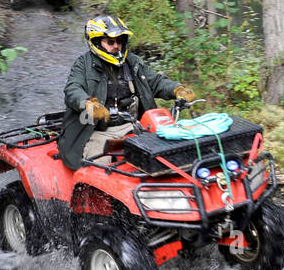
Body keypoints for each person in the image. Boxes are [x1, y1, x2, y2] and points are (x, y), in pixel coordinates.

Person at [58, 14, 194, 170]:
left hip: (135, 126)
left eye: (120, 41)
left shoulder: (132, 62)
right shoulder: (83, 64)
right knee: (99, 168)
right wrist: (89, 104)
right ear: (96, 42)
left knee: (167, 154)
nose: (116, 46)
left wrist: (177, 89)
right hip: (97, 131)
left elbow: (155, 81)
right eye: (110, 42)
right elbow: (72, 89)